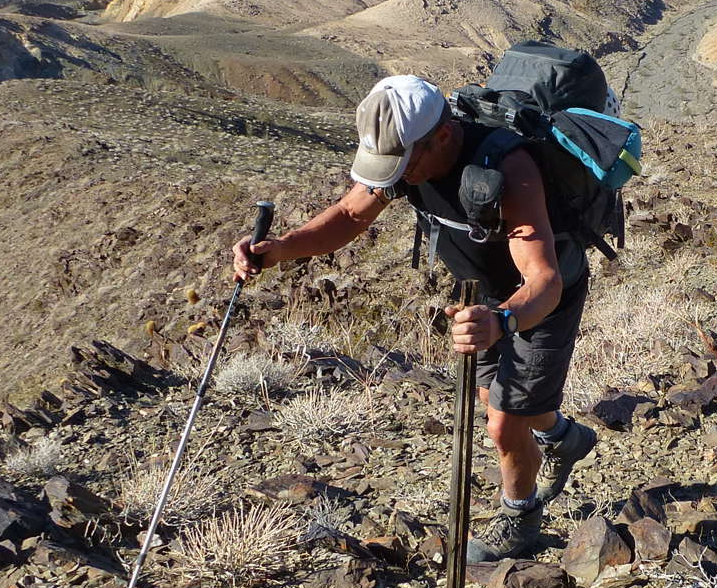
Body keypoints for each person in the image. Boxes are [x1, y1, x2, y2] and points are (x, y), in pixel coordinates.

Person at [233, 74, 599, 561]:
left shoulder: (510, 165)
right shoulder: (411, 162)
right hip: (480, 299)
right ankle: (563, 437)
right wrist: (279, 249)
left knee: (503, 421)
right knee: (498, 398)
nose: (396, 178)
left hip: (540, 300)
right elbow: (350, 214)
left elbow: (543, 279)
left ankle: (520, 517)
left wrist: (503, 321)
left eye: (403, 164)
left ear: (443, 136)